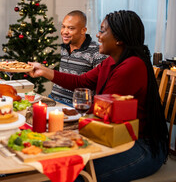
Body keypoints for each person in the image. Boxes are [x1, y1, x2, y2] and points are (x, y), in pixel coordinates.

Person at [29, 10, 168, 181]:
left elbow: (101, 113)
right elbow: (81, 81)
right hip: (115, 138)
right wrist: (45, 71)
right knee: (60, 164)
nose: (97, 35)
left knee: (74, 174)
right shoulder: (110, 60)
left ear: (118, 39)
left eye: (102, 30)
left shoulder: (131, 66)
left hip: (140, 146)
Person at [49, 10, 107, 106]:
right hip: (53, 99)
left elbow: (99, 88)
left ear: (83, 30)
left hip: (75, 106)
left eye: (71, 28)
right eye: (63, 26)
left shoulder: (97, 52)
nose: (64, 32)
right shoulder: (65, 46)